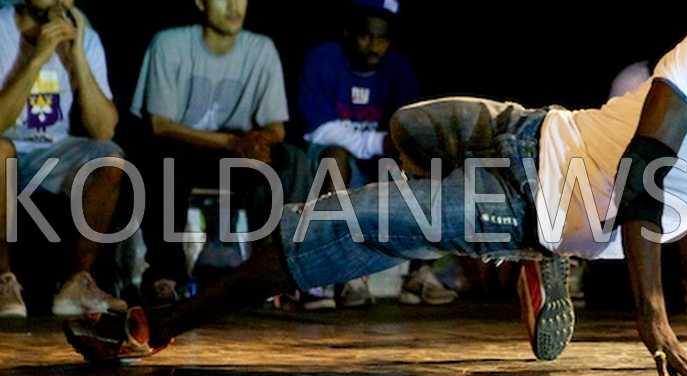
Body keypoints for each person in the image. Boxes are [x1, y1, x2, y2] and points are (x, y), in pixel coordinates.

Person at [66, 10, 687, 376]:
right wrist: (657, 318)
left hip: (531, 199)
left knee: (340, 227)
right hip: (538, 129)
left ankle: (156, 326)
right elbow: (644, 168)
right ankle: (523, 261)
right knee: (409, 128)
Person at [129, 0, 312, 306]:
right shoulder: (170, 44)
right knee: (161, 158)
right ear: (200, 3)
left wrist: (257, 141)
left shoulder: (261, 49)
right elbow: (160, 125)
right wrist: (230, 142)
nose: (233, 7)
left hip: (237, 153)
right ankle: (166, 273)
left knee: (291, 158)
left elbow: (277, 127)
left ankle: (278, 268)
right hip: (186, 147)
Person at [296, 0, 454, 308]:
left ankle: (419, 274)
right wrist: (381, 144)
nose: (374, 46)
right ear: (348, 32)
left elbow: (410, 130)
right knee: (334, 157)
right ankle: (344, 275)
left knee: (427, 162)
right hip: (330, 162)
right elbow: (319, 129)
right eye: (366, 36)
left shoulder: (398, 69)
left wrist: (397, 150)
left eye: (382, 38)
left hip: (379, 166)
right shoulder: (322, 59)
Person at [0, 0, 127, 318]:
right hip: (7, 147)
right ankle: (2, 280)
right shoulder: (2, 30)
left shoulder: (86, 36)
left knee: (109, 158)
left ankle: (76, 284)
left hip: (54, 152)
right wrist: (37, 58)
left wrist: (78, 57)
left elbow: (103, 128)